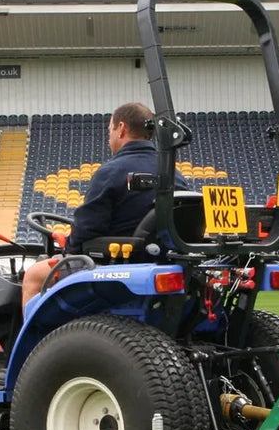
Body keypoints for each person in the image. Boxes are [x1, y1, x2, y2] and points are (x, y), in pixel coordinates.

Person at [22, 102, 182, 305]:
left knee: (34, 275)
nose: (109, 138)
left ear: (121, 128)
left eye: (110, 130)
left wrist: (69, 247)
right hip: (161, 258)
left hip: (113, 263)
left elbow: (87, 229)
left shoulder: (111, 172)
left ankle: (36, 337)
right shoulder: (173, 173)